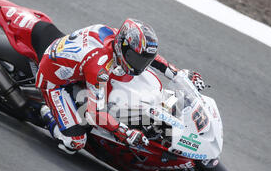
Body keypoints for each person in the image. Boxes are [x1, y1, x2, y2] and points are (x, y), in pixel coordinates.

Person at [35, 19, 205, 154]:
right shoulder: (100, 67)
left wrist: (179, 75)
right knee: (74, 142)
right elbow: (96, 113)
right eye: (137, 59)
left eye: (142, 60)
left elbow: (153, 58)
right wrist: (124, 131)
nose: (140, 65)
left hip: (78, 65)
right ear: (122, 46)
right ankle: (45, 111)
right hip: (54, 81)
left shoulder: (120, 40)